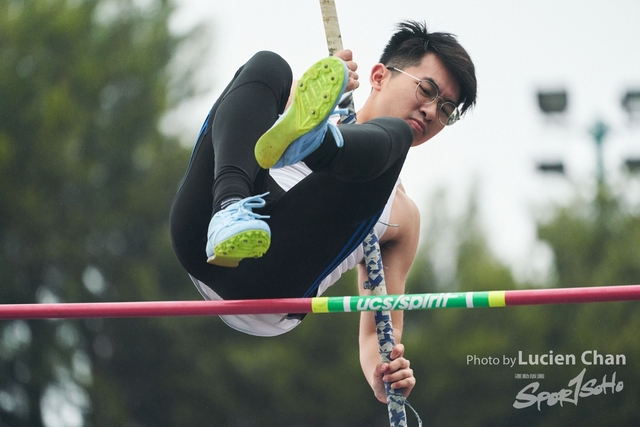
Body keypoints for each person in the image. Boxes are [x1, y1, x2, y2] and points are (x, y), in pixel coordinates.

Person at [170, 20, 477, 404]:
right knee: (269, 66)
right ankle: (232, 206)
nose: (432, 111)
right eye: (427, 90)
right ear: (379, 76)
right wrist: (306, 91)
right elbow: (239, 116)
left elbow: (377, 332)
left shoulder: (402, 215)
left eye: (447, 109)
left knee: (395, 138)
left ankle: (318, 145)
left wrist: (382, 372)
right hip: (201, 239)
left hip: (268, 284)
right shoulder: (296, 101)